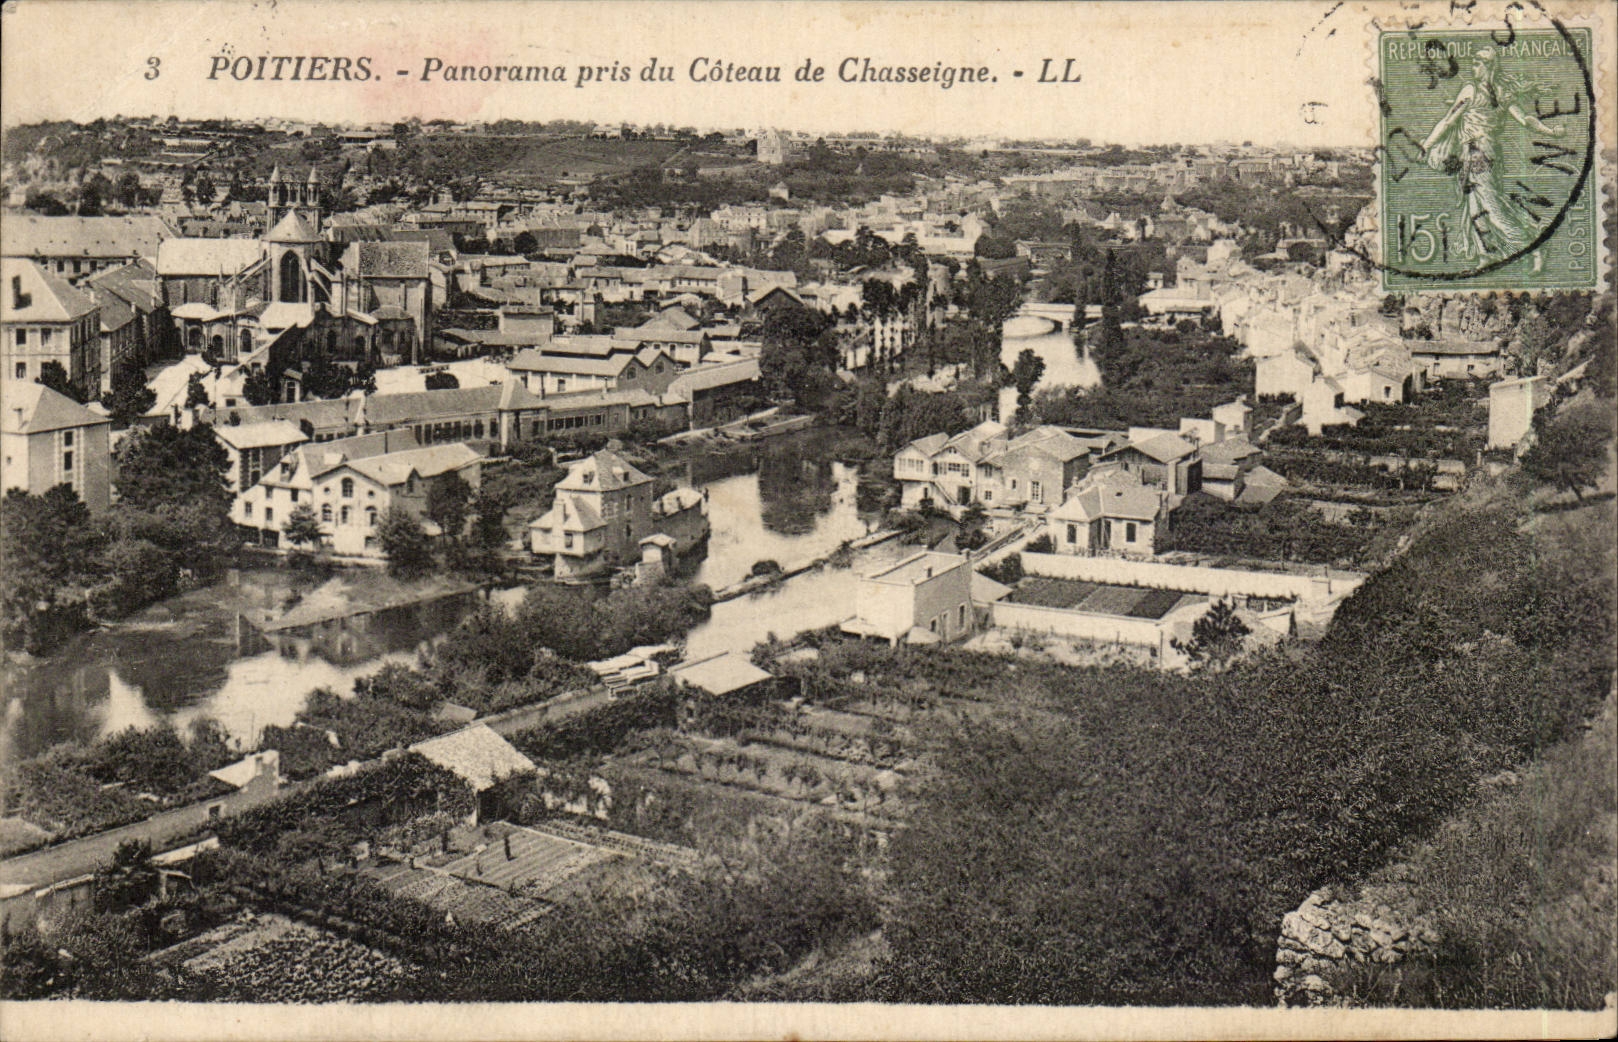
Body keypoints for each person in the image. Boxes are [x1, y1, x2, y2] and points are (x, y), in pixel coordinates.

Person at [1419, 46, 1567, 260]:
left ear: (1489, 67)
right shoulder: (1503, 93)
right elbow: (1526, 120)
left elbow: (1448, 121)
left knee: (1493, 211)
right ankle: (1486, 255)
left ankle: (1534, 248)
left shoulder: (1471, 90)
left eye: (1477, 63)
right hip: (1483, 154)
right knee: (1475, 210)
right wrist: (1551, 132)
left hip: (1478, 154)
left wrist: (1425, 146)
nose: (1473, 67)